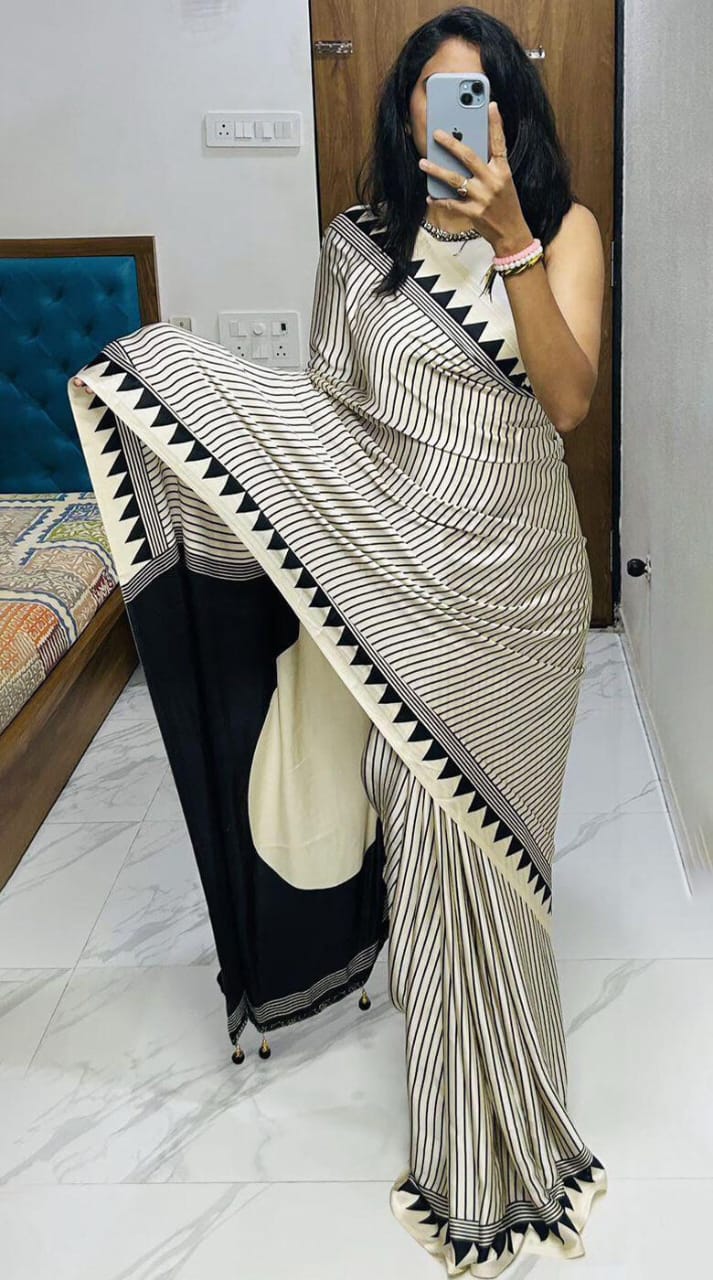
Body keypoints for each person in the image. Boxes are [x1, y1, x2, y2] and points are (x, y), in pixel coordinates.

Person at [71, 7, 607, 1275]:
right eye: (431, 93)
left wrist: (512, 243)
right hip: (400, 581)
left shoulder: (565, 229)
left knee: (497, 855)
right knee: (420, 822)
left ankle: (515, 1112)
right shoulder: (355, 248)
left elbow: (568, 400)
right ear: (402, 111)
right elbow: (328, 429)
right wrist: (187, 398)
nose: (452, 116)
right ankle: (455, 1136)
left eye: (476, 94)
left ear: (510, 113)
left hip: (520, 594)